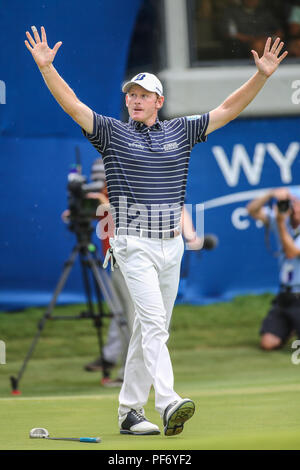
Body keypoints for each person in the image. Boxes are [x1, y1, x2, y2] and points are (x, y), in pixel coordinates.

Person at [25, 24, 288, 436]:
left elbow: (227, 109)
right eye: (130, 94)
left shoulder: (180, 131)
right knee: (151, 326)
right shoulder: (111, 133)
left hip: (171, 247)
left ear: (158, 102)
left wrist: (261, 76)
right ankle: (168, 403)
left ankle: (129, 412)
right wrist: (46, 69)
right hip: (132, 245)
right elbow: (74, 105)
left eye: (143, 95)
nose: (134, 99)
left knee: (151, 331)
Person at [247, 187, 300, 350]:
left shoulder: (280, 223)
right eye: (291, 203)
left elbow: (291, 252)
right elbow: (252, 210)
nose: (294, 208)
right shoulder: (281, 220)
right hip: (285, 295)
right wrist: (271, 194)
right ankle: (289, 327)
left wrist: (279, 223)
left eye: (297, 203)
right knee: (268, 343)